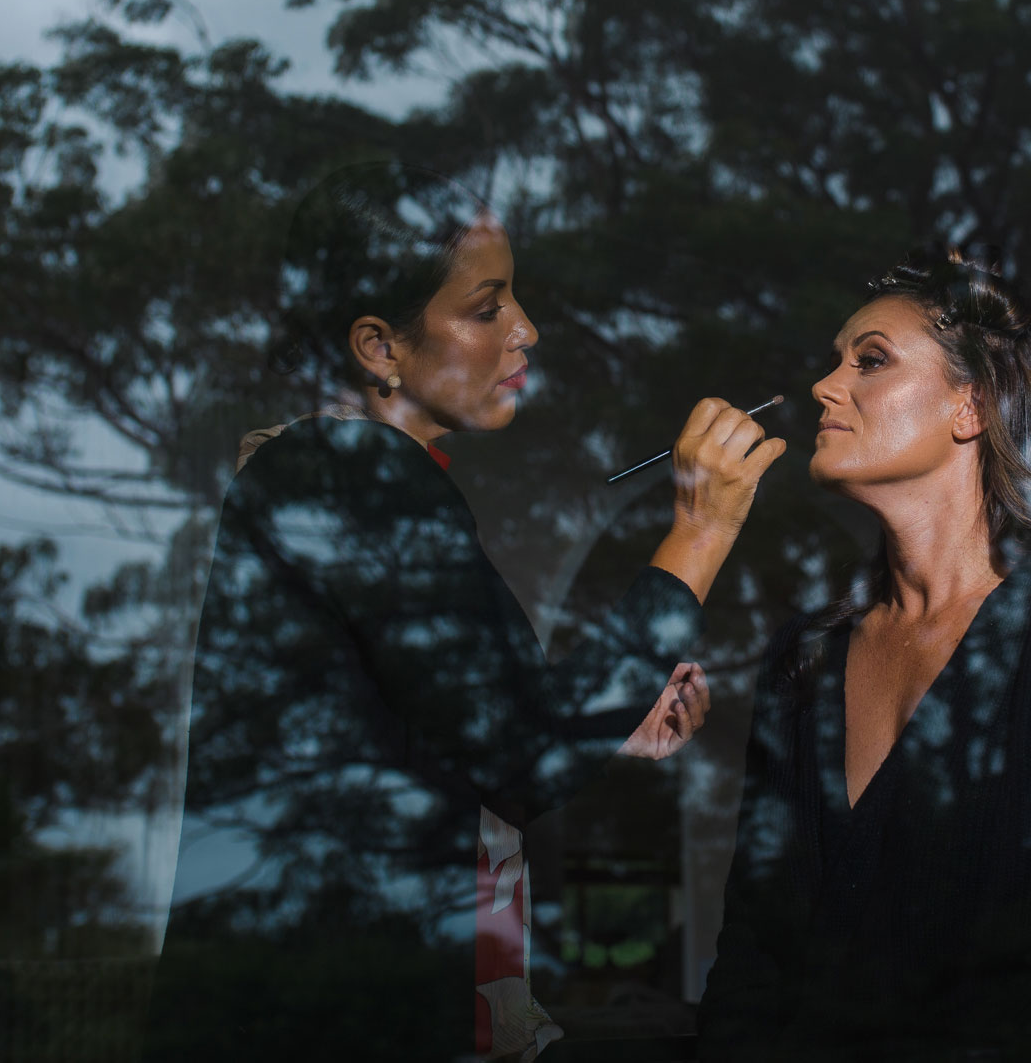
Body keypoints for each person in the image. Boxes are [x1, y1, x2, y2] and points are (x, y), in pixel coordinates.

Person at [142, 164, 784, 1063]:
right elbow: (518, 750)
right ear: (379, 347)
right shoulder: (351, 475)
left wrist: (609, 723)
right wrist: (700, 528)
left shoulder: (353, 479)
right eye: (486, 308)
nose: (527, 330)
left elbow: (471, 731)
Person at [697, 248, 1031, 1061]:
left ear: (968, 408)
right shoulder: (805, 659)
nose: (827, 387)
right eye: (835, 362)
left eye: (870, 360)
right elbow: (755, 954)